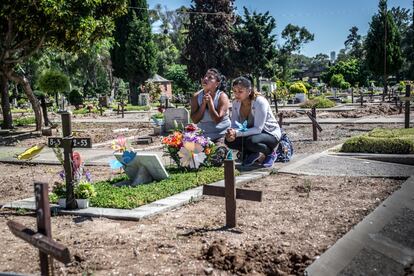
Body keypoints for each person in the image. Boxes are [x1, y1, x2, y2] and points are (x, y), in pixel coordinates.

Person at [225, 76, 281, 167]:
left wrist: (236, 133)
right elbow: (235, 124)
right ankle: (252, 153)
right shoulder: (236, 103)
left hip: (269, 133)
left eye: (240, 91)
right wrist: (231, 133)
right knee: (229, 141)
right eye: (234, 91)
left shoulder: (259, 102)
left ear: (249, 91)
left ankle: (270, 153)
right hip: (251, 133)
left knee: (252, 141)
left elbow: (258, 129)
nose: (237, 94)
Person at [190, 68, 231, 142]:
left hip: (221, 134)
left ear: (217, 83)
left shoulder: (222, 96)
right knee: (186, 150)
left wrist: (210, 104)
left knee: (219, 151)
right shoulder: (196, 96)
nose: (205, 79)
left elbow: (217, 120)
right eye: (205, 76)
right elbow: (195, 120)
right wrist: (203, 104)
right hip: (203, 135)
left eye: (210, 78)